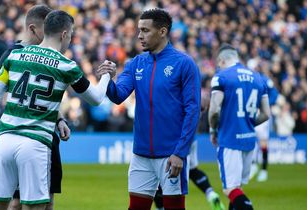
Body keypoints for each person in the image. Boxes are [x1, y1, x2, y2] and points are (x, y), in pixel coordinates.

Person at [0, 10, 116, 210]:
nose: (70, 40)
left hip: (5, 139)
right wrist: (106, 75)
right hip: (35, 143)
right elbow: (97, 99)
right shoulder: (66, 66)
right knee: (35, 206)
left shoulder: (16, 54)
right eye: (71, 35)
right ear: (64, 34)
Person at [98, 8, 201, 210]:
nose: (139, 35)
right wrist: (108, 80)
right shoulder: (136, 63)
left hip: (171, 153)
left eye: (145, 30)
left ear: (162, 31)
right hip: (141, 154)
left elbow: (193, 110)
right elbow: (118, 96)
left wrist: (180, 152)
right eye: (139, 30)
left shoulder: (184, 63)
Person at [0, 5, 70, 210]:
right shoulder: (12, 55)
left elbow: (43, 95)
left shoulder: (50, 57)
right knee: (17, 201)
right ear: (33, 29)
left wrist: (60, 118)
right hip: (22, 133)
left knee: (47, 199)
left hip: (46, 134)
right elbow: (1, 95)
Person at [208, 44, 270, 210]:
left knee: (230, 189)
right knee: (237, 188)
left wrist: (213, 130)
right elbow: (266, 114)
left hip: (229, 139)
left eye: (218, 63)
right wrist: (248, 123)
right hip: (249, 140)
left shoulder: (222, 77)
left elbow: (214, 110)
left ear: (221, 60)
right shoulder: (259, 78)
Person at [154, 92, 225, 210]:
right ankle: (210, 193)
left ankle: (160, 207)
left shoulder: (176, 92)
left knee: (158, 173)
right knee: (192, 170)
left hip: (170, 137)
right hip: (189, 136)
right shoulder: (194, 94)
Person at [250, 72, 279, 182]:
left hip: (262, 113)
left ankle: (263, 170)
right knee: (250, 139)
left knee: (263, 142)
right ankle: (252, 165)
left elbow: (275, 94)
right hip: (251, 113)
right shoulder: (247, 80)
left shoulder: (264, 80)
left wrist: (265, 104)